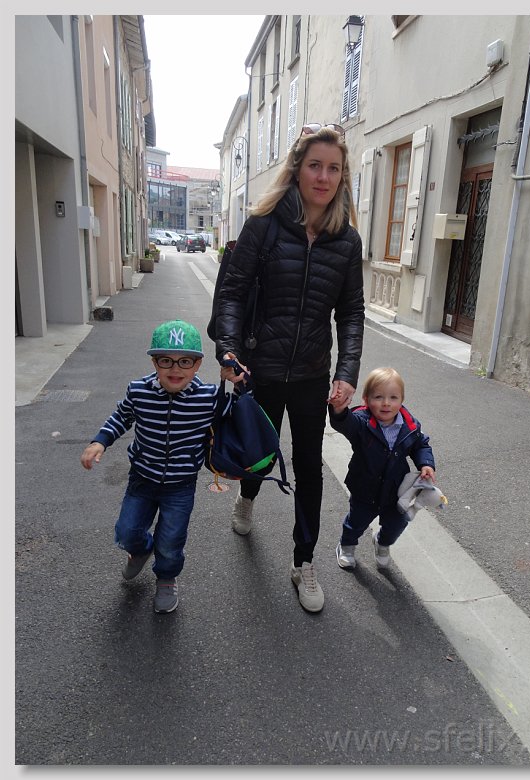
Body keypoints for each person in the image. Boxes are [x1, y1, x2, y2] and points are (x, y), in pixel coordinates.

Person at [215, 123, 365, 613]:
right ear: (298, 169)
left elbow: (351, 312)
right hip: (259, 366)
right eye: (315, 165)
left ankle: (304, 561)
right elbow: (233, 292)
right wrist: (229, 350)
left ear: (342, 177)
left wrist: (346, 372)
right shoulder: (264, 225)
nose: (323, 176)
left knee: (309, 467)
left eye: (333, 168)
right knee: (258, 453)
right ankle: (247, 498)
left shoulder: (347, 241)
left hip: (310, 373)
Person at [81, 319, 243, 614]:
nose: (175, 369)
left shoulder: (208, 398)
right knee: (127, 531)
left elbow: (240, 413)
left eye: (185, 361)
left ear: (197, 365)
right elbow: (121, 417)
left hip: (181, 485)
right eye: (165, 360)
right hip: (142, 479)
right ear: (154, 362)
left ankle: (167, 578)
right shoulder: (139, 390)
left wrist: (239, 383)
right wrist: (100, 441)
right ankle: (141, 550)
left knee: (170, 541)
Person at [327, 367, 436, 570]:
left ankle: (383, 542)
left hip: (395, 489)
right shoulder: (362, 423)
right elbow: (346, 424)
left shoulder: (409, 426)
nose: (386, 403)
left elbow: (421, 445)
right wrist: (339, 410)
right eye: (378, 397)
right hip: (365, 488)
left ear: (401, 400)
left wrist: (426, 464)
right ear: (366, 400)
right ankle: (347, 546)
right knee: (356, 522)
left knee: (396, 524)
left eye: (393, 397)